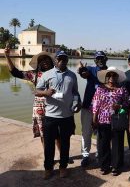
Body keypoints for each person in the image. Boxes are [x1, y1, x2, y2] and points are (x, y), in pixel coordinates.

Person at [35, 51, 81, 179]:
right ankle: (48, 168)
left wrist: (77, 103)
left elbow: (75, 92)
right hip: (50, 116)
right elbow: (36, 91)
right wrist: (46, 92)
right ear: (55, 60)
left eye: (64, 59)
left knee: (65, 143)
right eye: (59, 59)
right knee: (49, 144)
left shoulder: (72, 75)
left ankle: (63, 167)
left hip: (67, 116)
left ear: (67, 60)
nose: (62, 61)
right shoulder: (47, 74)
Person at [4, 47, 61, 149]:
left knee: (57, 134)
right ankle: (48, 157)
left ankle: (63, 157)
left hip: (55, 107)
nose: (44, 62)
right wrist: (7, 56)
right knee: (43, 134)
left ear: (51, 61)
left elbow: (64, 92)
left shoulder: (58, 74)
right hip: (39, 108)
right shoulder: (34, 74)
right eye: (41, 60)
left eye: (46, 59)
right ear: (38, 63)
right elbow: (15, 72)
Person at [92, 67, 129, 176]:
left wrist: (120, 106)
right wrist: (94, 119)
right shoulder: (100, 89)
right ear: (106, 77)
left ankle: (116, 166)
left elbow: (128, 103)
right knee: (103, 144)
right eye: (109, 75)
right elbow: (95, 104)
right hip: (103, 120)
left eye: (114, 75)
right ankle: (104, 166)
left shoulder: (122, 89)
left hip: (117, 120)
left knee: (117, 144)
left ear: (117, 77)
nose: (111, 77)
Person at [77, 51, 108, 167]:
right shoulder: (90, 69)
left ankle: (100, 153)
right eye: (97, 59)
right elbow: (84, 74)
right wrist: (81, 71)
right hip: (87, 107)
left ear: (106, 59)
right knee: (86, 133)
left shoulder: (110, 72)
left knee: (102, 133)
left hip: (103, 110)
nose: (100, 60)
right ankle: (85, 155)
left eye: (102, 58)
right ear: (95, 61)